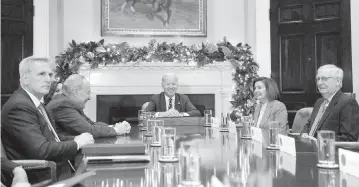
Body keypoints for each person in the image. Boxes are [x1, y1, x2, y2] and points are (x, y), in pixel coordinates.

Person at [1, 57, 95, 181]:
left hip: (61, 169)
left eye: (50, 74)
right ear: (25, 79)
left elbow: (52, 138)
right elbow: (41, 150)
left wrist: (75, 139)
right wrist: (77, 143)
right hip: (42, 176)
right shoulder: (19, 107)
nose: (48, 79)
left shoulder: (37, 104)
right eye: (41, 74)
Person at [47, 74, 131, 138]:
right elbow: (88, 130)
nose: (89, 97)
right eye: (88, 93)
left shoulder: (69, 102)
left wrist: (114, 126)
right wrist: (117, 130)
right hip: (65, 158)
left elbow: (91, 124)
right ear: (76, 92)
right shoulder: (62, 105)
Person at [301, 64, 359, 141]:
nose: (319, 83)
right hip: (309, 148)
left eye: (324, 79)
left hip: (329, 151)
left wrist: (319, 140)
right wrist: (304, 133)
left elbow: (349, 138)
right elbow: (309, 125)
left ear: (338, 81)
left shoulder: (348, 103)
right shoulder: (319, 102)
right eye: (318, 79)